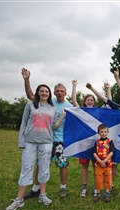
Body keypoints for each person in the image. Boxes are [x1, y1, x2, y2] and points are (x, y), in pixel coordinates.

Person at [5, 84, 65, 210]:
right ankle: (19, 199)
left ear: (49, 94)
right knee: (26, 168)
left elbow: (54, 127)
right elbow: (24, 123)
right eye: (42, 91)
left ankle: (42, 195)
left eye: (46, 91)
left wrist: (61, 117)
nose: (44, 93)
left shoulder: (53, 108)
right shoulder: (30, 105)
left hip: (46, 142)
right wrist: (21, 141)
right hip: (30, 141)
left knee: (44, 168)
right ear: (38, 93)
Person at [22, 68, 73, 198]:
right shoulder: (49, 103)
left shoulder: (70, 107)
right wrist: (27, 80)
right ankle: (36, 188)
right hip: (46, 139)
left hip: (62, 140)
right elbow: (30, 96)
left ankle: (63, 188)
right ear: (54, 93)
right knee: (40, 164)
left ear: (65, 93)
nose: (60, 93)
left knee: (62, 164)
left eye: (62, 91)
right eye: (57, 91)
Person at [72, 79, 97, 197]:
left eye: (92, 100)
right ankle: (84, 186)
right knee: (84, 165)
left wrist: (107, 89)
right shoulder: (81, 111)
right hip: (84, 141)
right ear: (85, 101)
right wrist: (74, 86)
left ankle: (97, 186)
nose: (90, 101)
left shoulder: (99, 111)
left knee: (96, 165)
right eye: (88, 100)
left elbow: (108, 102)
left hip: (96, 142)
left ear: (94, 102)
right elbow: (73, 100)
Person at [92, 124, 115, 203]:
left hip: (107, 164)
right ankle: (97, 193)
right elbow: (94, 153)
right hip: (98, 165)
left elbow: (112, 152)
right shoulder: (97, 142)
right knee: (98, 179)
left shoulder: (110, 141)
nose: (103, 133)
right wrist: (99, 161)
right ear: (98, 133)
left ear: (108, 132)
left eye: (105, 131)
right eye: (101, 132)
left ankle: (107, 193)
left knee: (108, 178)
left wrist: (105, 160)